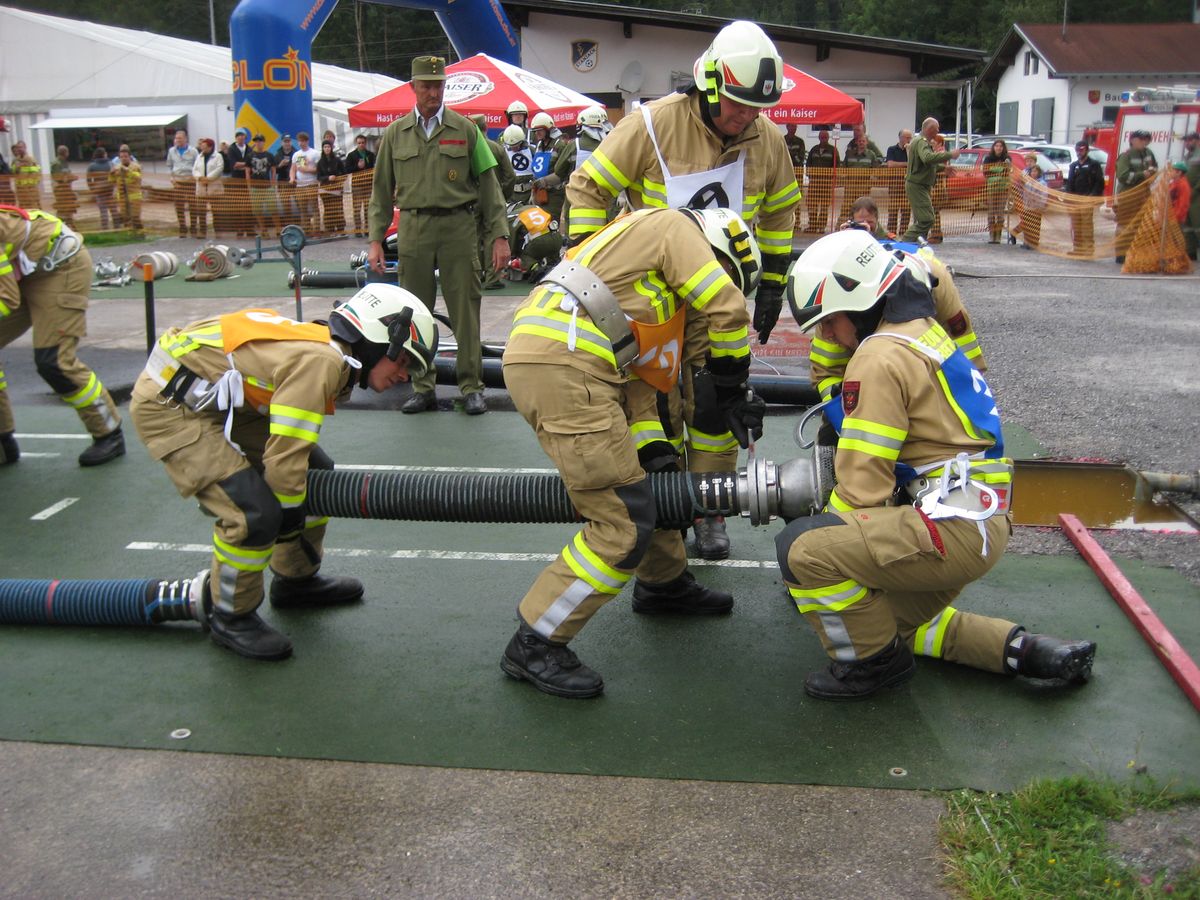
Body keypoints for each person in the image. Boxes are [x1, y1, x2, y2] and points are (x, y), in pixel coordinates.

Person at [777, 228, 1096, 700]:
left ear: (860, 300)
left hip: (948, 528)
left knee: (801, 549)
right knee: (887, 623)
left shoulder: (879, 355)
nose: (826, 335)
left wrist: (828, 542)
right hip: (981, 517)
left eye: (829, 321)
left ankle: (874, 667)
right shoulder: (924, 331)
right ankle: (1024, 650)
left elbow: (863, 485)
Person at [500, 207, 766, 698]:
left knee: (649, 486)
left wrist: (658, 451)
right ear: (712, 249)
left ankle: (662, 583)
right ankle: (535, 640)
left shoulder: (638, 275)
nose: (708, 291)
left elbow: (641, 391)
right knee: (621, 521)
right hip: (567, 368)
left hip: (568, 362)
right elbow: (728, 309)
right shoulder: (674, 229)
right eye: (722, 269)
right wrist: (732, 388)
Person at [564, 19, 799, 560]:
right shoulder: (652, 125)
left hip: (722, 301)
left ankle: (712, 511)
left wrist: (773, 285)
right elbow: (588, 186)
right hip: (655, 300)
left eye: (756, 108)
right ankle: (675, 510)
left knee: (719, 404)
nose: (747, 118)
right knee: (660, 409)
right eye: (738, 105)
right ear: (710, 85)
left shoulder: (766, 138)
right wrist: (590, 272)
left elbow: (782, 206)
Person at [129, 285, 439, 660]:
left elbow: (292, 457)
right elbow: (285, 458)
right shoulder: (323, 362)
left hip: (213, 395)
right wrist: (287, 514)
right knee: (252, 512)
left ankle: (295, 580)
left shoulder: (328, 350)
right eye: (405, 362)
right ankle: (232, 614)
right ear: (380, 339)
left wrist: (292, 506)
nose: (404, 376)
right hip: (170, 405)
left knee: (315, 475)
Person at [366, 55, 509, 417]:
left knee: (466, 309)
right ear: (413, 87)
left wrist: (500, 236)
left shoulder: (466, 130)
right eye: (426, 85)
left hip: (458, 227)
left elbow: (491, 189)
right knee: (413, 312)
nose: (433, 91)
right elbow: (381, 192)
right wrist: (375, 240)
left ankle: (472, 386)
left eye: (438, 85)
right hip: (413, 228)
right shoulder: (395, 134)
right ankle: (422, 386)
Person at [820, 196, 986, 406]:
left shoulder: (937, 279)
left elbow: (965, 347)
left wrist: (972, 395)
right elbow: (826, 372)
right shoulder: (834, 295)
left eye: (870, 223)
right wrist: (838, 406)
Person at [0, 206, 125, 468]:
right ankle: (3, 442)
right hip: (21, 271)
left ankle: (108, 433)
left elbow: (6, 299)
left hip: (60, 266)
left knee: (54, 361)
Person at [469, 114, 515, 290]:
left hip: (471, 198)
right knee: (493, 236)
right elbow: (510, 176)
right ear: (486, 127)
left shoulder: (467, 147)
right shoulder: (497, 148)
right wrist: (502, 195)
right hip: (492, 197)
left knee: (473, 236)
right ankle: (492, 278)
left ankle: (475, 274)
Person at [552, 106, 611, 227]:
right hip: (602, 200)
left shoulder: (574, 145)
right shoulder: (609, 145)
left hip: (576, 200)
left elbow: (559, 170)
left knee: (576, 240)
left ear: (581, 125)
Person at [902, 118, 958, 243]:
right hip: (917, 185)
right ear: (929, 129)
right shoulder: (921, 142)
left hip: (920, 185)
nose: (938, 131)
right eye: (936, 128)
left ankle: (917, 243)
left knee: (923, 219)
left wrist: (944, 168)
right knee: (926, 219)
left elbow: (926, 165)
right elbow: (927, 158)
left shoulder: (921, 142)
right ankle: (903, 243)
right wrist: (949, 155)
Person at [1113, 129, 1158, 265]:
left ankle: (1136, 253)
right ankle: (1121, 254)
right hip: (1128, 196)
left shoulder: (1149, 153)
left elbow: (1155, 168)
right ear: (1133, 141)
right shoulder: (1126, 156)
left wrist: (1152, 174)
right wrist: (1141, 175)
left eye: (1146, 140)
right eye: (1142, 140)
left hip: (1143, 195)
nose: (1145, 142)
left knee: (1142, 224)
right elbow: (1122, 176)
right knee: (1125, 225)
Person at [1063, 140, 1105, 256]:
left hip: (1087, 199)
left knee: (1086, 225)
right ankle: (1078, 248)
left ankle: (1088, 248)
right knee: (1076, 225)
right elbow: (1070, 183)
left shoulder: (1094, 165)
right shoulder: (1074, 165)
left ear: (1087, 150)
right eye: (1077, 150)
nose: (1079, 152)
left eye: (1081, 150)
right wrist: (1068, 196)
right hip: (1075, 200)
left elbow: (1099, 182)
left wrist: (1093, 196)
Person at [504, 202, 562, 281]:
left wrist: (513, 255)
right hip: (556, 237)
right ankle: (556, 266)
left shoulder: (511, 216)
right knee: (553, 259)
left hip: (540, 242)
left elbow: (512, 239)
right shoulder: (534, 207)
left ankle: (536, 269)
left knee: (526, 254)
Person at [528, 111, 566, 222]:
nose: (537, 134)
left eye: (539, 130)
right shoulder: (539, 145)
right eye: (535, 131)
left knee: (551, 223)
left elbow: (563, 172)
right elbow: (536, 171)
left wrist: (545, 181)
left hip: (555, 195)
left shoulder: (560, 145)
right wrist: (532, 194)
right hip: (539, 193)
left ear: (548, 130)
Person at [837, 130, 881, 225]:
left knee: (863, 207)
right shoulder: (849, 154)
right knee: (846, 207)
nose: (861, 143)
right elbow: (843, 167)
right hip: (850, 186)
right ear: (856, 142)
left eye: (863, 141)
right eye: (859, 141)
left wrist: (874, 177)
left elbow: (876, 169)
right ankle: (842, 226)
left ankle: (862, 225)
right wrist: (842, 175)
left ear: (867, 143)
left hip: (864, 186)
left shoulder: (871, 155)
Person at [166, 129, 200, 238]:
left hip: (190, 181)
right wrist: (172, 178)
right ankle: (182, 227)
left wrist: (195, 177)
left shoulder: (193, 151)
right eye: (176, 138)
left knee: (193, 205)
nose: (177, 140)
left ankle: (193, 227)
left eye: (180, 138)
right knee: (179, 206)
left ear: (185, 139)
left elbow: (198, 165)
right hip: (178, 181)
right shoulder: (171, 151)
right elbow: (169, 165)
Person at [246, 134, 280, 238]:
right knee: (257, 211)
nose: (258, 143)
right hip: (255, 187)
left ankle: (278, 229)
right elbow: (247, 171)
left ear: (264, 142)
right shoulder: (250, 156)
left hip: (268, 186)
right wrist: (248, 185)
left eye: (260, 141)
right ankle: (263, 230)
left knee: (273, 209)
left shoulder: (269, 155)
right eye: (256, 141)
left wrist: (274, 183)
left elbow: (274, 170)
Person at [192, 137, 225, 238]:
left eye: (205, 146)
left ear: (210, 147)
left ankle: (218, 232)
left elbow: (219, 168)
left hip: (214, 188)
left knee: (217, 212)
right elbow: (195, 169)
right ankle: (202, 231)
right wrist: (199, 177)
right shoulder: (199, 156)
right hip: (201, 188)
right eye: (202, 146)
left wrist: (209, 178)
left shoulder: (218, 156)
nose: (202, 148)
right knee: (201, 212)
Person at [805, 130, 837, 234]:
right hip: (814, 182)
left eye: (825, 137)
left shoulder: (833, 150)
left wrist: (833, 180)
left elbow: (836, 165)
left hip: (826, 183)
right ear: (819, 138)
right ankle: (813, 225)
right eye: (822, 137)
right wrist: (809, 176)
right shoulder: (814, 149)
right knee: (812, 205)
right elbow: (808, 163)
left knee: (824, 206)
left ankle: (821, 226)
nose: (823, 139)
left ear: (828, 138)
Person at [224, 128, 253, 237]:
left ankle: (249, 227)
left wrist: (244, 165)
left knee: (248, 205)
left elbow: (251, 164)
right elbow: (234, 165)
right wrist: (246, 164)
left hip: (248, 180)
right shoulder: (232, 149)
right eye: (239, 137)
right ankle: (240, 228)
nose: (241, 139)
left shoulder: (249, 149)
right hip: (237, 180)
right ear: (236, 138)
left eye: (243, 137)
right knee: (238, 204)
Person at [290, 131, 321, 235]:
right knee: (302, 209)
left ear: (307, 141)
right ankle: (306, 230)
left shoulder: (315, 153)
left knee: (314, 208)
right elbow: (293, 168)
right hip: (300, 185)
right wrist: (292, 178)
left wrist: (306, 170)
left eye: (303, 141)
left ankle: (316, 230)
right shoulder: (296, 154)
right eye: (299, 141)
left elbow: (318, 169)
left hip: (311, 183)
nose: (301, 143)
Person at [981, 140, 1012, 244]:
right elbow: (986, 172)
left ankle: (998, 235)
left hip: (1003, 189)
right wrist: (999, 169)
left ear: (1003, 148)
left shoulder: (1007, 158)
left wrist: (995, 170)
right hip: (991, 189)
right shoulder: (988, 158)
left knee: (1000, 213)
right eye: (997, 146)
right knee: (991, 213)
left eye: (1000, 146)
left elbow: (1007, 172)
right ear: (993, 147)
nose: (998, 148)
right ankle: (991, 234)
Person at [345, 134, 376, 236]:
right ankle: (358, 229)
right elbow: (347, 170)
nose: (361, 144)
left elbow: (373, 168)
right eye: (359, 143)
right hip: (357, 185)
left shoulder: (370, 155)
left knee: (368, 208)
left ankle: (368, 228)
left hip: (368, 184)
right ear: (356, 143)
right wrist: (357, 166)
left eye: (363, 143)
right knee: (357, 208)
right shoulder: (351, 155)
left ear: (365, 143)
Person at [884, 129, 912, 236]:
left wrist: (909, 152)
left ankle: (903, 233)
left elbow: (914, 163)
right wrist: (907, 164)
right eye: (907, 137)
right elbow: (891, 164)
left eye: (910, 138)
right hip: (895, 183)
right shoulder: (892, 149)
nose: (909, 140)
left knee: (906, 210)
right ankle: (891, 234)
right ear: (900, 138)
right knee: (893, 210)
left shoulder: (911, 150)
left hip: (908, 184)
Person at [109, 145, 143, 232]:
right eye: (121, 157)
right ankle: (128, 234)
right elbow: (111, 181)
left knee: (135, 217)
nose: (123, 158)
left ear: (129, 157)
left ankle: (140, 234)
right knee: (125, 216)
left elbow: (138, 177)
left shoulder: (136, 166)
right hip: (122, 197)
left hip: (134, 197)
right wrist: (111, 174)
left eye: (125, 156)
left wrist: (128, 171)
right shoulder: (117, 167)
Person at [316, 139, 346, 235]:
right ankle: (330, 228)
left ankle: (341, 228)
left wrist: (338, 179)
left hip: (337, 188)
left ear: (331, 148)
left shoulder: (337, 160)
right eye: (325, 147)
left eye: (328, 147)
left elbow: (344, 173)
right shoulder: (320, 162)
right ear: (323, 149)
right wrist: (328, 178)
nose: (327, 149)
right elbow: (319, 177)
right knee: (328, 209)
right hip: (325, 189)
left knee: (338, 208)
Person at [500, 124, 535, 204]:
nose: (514, 148)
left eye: (516, 145)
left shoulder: (531, 150)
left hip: (530, 194)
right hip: (511, 196)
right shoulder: (503, 152)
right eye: (511, 146)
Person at [1017, 162, 1048, 250]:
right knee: (1027, 225)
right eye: (1032, 171)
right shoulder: (1028, 183)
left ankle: (1034, 243)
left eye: (1035, 171)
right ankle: (1027, 242)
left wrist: (1041, 205)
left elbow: (1044, 195)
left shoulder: (1042, 183)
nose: (1033, 173)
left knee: (1035, 225)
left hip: (1036, 207)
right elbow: (1024, 194)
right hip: (1028, 206)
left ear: (1039, 173)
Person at [49, 145, 78, 230]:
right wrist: (70, 178)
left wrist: (71, 177)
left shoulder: (64, 162)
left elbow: (67, 174)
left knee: (69, 208)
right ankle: (60, 225)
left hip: (67, 189)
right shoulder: (56, 164)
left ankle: (69, 225)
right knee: (62, 208)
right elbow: (59, 178)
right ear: (65, 152)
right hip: (60, 190)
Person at [1181, 131, 1199, 261]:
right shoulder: (1187, 156)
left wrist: (1196, 190)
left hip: (1197, 195)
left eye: (1189, 140)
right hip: (1186, 195)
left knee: (1198, 225)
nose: (1186, 143)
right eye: (1185, 141)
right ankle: (1190, 252)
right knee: (1187, 226)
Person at [85, 148, 114, 230]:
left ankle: (105, 228)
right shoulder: (110, 164)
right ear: (103, 154)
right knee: (114, 209)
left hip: (99, 191)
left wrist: (92, 189)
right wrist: (113, 186)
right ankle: (117, 226)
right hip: (109, 190)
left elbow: (88, 179)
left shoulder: (91, 166)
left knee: (103, 210)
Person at [10, 141, 41, 210]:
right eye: (18, 148)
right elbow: (12, 173)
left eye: (21, 147)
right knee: (23, 208)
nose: (19, 149)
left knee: (33, 208)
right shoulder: (15, 160)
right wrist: (17, 168)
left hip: (31, 190)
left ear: (25, 147)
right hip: (20, 190)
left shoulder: (31, 159)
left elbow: (36, 173)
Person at [275, 134, 298, 227]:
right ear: (282, 142)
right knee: (286, 205)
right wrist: (280, 165)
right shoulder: (277, 154)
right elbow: (274, 170)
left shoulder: (297, 153)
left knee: (300, 202)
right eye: (285, 141)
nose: (287, 143)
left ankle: (303, 224)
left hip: (295, 181)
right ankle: (288, 224)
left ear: (291, 142)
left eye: (288, 141)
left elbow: (302, 166)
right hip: (282, 181)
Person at [1168, 160, 1192, 233]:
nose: (1170, 172)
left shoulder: (1183, 185)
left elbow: (1184, 205)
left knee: (1175, 241)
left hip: (1176, 219)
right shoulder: (1174, 182)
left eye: (1172, 170)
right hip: (1171, 217)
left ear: (1179, 172)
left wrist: (1175, 219)